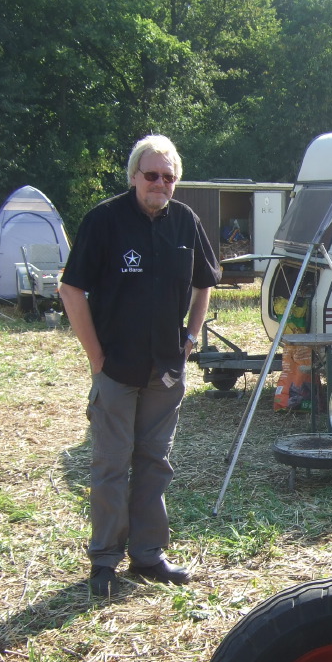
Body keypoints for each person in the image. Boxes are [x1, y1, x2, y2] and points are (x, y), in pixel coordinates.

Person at [60, 134, 221, 597]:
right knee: (111, 465)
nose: (160, 183)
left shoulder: (186, 221)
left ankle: (148, 555)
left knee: (155, 462)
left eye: (168, 177)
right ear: (134, 176)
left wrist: (191, 337)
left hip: (165, 370)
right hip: (116, 367)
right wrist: (96, 358)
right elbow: (71, 290)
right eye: (151, 175)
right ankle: (105, 560)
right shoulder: (104, 220)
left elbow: (204, 282)